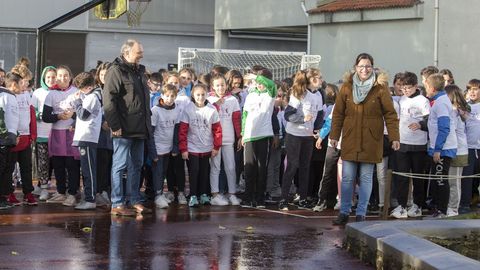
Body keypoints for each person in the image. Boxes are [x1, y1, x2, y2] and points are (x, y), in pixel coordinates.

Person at [330, 53, 400, 225]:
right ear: (356, 68)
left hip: (371, 139)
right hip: (350, 138)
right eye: (361, 66)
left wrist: (394, 137)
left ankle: (361, 213)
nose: (365, 69)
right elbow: (338, 114)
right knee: (347, 178)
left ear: (373, 67)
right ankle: (344, 212)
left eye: (368, 66)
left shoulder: (380, 88)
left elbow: (390, 114)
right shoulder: (346, 87)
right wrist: (334, 135)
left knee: (367, 178)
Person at [103, 39, 152, 216]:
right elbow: (109, 100)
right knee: (120, 165)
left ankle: (134, 199)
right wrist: (114, 125)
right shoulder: (115, 71)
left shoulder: (140, 71)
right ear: (126, 53)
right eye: (138, 52)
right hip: (123, 128)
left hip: (140, 128)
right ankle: (117, 202)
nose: (141, 55)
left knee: (136, 165)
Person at [278, 68, 323, 211]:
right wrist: (302, 118)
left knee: (305, 167)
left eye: (320, 78)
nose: (320, 80)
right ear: (309, 80)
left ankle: (303, 198)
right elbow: (288, 115)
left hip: (308, 136)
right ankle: (284, 198)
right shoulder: (299, 94)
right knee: (292, 165)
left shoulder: (319, 95)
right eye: (316, 78)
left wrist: (317, 130)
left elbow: (320, 114)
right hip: (294, 135)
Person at [390, 71, 430, 219]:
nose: (405, 90)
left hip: (419, 145)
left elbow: (430, 121)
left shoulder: (422, 101)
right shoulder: (401, 100)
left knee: (418, 176)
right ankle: (401, 205)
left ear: (415, 86)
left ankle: (418, 205)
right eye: (403, 88)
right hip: (402, 143)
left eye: (408, 88)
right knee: (402, 176)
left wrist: (420, 124)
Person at [43, 65, 81, 206]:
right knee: (58, 164)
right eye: (59, 76)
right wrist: (58, 115)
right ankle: (60, 192)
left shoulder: (77, 92)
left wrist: (73, 116)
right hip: (57, 134)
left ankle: (72, 193)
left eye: (65, 75)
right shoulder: (51, 94)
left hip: (72, 133)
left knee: (72, 165)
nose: (62, 78)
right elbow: (46, 116)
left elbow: (84, 113)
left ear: (70, 77)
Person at [179, 84, 222, 207]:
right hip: (192, 148)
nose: (200, 97)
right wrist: (184, 149)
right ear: (193, 95)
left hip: (207, 147)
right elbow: (182, 131)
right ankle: (193, 195)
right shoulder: (188, 109)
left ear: (207, 94)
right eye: (198, 94)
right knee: (194, 171)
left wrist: (216, 146)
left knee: (204, 171)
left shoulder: (212, 109)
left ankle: (203, 195)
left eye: (203, 94)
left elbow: (217, 130)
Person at [242, 71, 280, 208]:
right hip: (249, 136)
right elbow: (245, 115)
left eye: (261, 82)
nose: (260, 85)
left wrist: (256, 77)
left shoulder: (269, 95)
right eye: (257, 83)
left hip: (264, 135)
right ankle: (248, 196)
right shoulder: (250, 95)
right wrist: (243, 134)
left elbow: (271, 85)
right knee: (249, 168)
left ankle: (260, 198)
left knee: (261, 168)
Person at [425, 73, 457, 218]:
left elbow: (444, 127)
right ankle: (437, 209)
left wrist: (438, 149)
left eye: (426, 86)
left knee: (441, 180)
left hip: (443, 149)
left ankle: (442, 211)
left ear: (431, 88)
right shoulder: (440, 101)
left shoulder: (441, 103)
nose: (425, 89)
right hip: (437, 148)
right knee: (438, 180)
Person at [207, 74, 242, 206]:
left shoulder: (232, 100)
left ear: (226, 85)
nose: (220, 88)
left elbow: (236, 120)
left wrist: (240, 136)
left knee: (231, 166)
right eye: (217, 85)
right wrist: (216, 104)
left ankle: (232, 194)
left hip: (228, 139)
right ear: (213, 87)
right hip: (214, 140)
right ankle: (215, 194)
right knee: (215, 167)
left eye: (222, 85)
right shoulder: (209, 100)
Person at [5, 65, 37, 206]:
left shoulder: (27, 94)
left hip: (26, 136)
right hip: (13, 138)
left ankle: (28, 192)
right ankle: (9, 192)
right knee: (10, 168)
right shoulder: (8, 95)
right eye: (24, 81)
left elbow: (31, 114)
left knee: (26, 167)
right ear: (17, 81)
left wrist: (32, 133)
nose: (27, 84)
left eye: (28, 81)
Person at [70, 72, 103, 210]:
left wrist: (77, 102)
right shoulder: (93, 95)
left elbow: (83, 115)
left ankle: (90, 199)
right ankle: (89, 196)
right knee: (87, 168)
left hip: (87, 137)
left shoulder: (93, 97)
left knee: (88, 169)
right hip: (86, 137)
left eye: (81, 88)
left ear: (88, 87)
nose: (80, 91)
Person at [149, 84, 181, 209]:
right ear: (162, 95)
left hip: (168, 148)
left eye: (172, 96)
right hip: (157, 147)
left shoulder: (176, 109)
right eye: (167, 96)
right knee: (157, 172)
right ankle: (157, 195)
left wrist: (175, 146)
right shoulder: (155, 111)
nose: (169, 98)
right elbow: (150, 133)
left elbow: (176, 129)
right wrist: (153, 151)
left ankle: (161, 193)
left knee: (163, 172)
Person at [31, 66, 56, 201]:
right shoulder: (38, 93)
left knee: (56, 163)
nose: (51, 80)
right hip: (42, 134)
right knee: (43, 163)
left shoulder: (59, 92)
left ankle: (60, 189)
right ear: (43, 78)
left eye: (53, 77)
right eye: (48, 77)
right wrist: (41, 115)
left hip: (58, 134)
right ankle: (44, 188)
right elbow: (32, 110)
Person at [444, 84, 469, 217]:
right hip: (449, 149)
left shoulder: (457, 111)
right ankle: (447, 206)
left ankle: (453, 208)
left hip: (458, 151)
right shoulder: (452, 110)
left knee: (454, 182)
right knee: (447, 181)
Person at [459, 79, 480, 214]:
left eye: (476, 89)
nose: (472, 92)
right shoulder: (465, 106)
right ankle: (465, 204)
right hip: (468, 148)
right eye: (470, 89)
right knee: (467, 177)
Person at [93, 62, 112, 206]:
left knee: (111, 164)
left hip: (114, 135)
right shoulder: (95, 92)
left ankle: (108, 190)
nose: (104, 77)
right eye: (102, 74)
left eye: (107, 74)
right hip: (98, 136)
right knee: (100, 164)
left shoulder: (116, 91)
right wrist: (101, 123)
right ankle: (99, 191)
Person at [0, 72, 19, 209]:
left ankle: (3, 197)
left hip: (9, 138)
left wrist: (15, 134)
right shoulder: (3, 96)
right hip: (3, 139)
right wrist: (5, 133)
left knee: (6, 168)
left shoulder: (12, 96)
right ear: (14, 84)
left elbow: (14, 118)